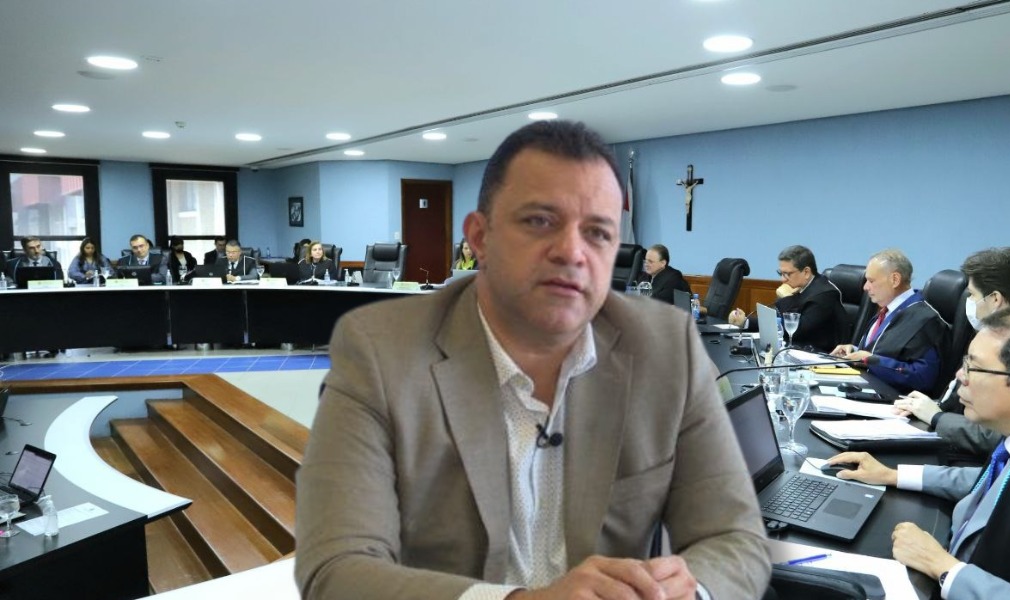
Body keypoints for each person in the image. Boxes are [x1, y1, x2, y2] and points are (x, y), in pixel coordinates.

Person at [295, 120, 770, 600]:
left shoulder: (667, 348)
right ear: (480, 237)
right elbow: (336, 569)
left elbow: (736, 538)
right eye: (540, 221)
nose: (572, 253)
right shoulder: (380, 351)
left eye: (598, 232)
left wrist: (689, 593)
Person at [826, 309, 1010, 599]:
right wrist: (893, 475)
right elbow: (1005, 484)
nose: (959, 376)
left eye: (973, 367)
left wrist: (944, 568)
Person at [894, 247, 1010, 464]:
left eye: (972, 295)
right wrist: (924, 408)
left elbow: (998, 437)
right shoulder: (995, 339)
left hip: (974, 463)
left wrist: (936, 417)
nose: (969, 301)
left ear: (995, 299)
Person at [830, 248, 946, 394]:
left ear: (895, 280)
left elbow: (923, 376)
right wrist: (855, 351)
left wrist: (870, 360)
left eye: (871, 281)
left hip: (894, 399)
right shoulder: (886, 310)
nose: (865, 287)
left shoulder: (924, 319)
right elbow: (882, 350)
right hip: (865, 387)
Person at [727, 245, 846, 352]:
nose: (783, 280)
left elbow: (796, 330)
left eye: (787, 274)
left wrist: (787, 299)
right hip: (799, 350)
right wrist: (745, 322)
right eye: (781, 273)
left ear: (806, 272)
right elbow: (778, 322)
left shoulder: (824, 295)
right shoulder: (802, 287)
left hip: (822, 357)